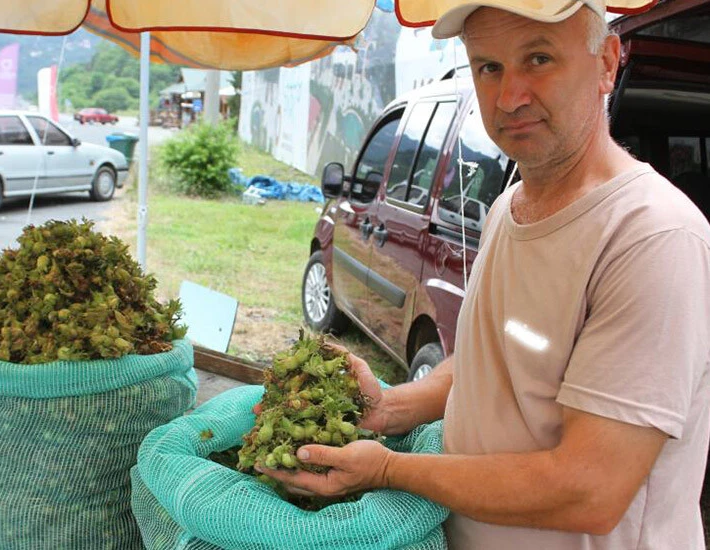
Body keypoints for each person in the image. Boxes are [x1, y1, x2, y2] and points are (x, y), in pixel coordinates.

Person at [258, 0, 710, 547]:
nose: (510, 96)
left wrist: (387, 469)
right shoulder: (507, 208)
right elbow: (490, 362)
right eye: (489, 66)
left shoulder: (651, 235)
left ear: (607, 63)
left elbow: (589, 489)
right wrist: (390, 408)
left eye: (539, 59)